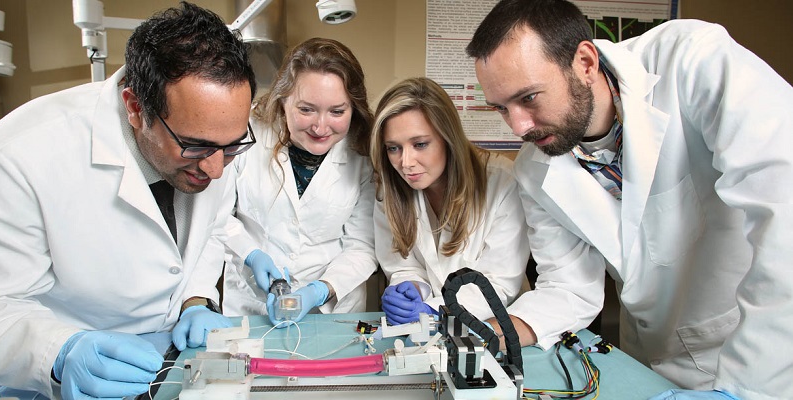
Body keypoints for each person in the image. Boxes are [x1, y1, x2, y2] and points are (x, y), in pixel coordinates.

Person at [466, 1, 793, 399]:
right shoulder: (534, 171)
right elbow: (570, 286)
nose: (519, 126)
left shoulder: (693, 61)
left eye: (530, 98)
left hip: (757, 349)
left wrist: (746, 389)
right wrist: (500, 329)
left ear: (585, 62)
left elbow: (784, 212)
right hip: (650, 356)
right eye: (502, 109)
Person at [0, 3, 256, 399]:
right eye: (195, 147)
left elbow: (209, 233)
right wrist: (58, 353)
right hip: (63, 379)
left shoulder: (215, 140)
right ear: (135, 108)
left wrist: (196, 298)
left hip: (169, 360)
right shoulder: (12, 158)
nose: (216, 170)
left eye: (231, 147)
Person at [218, 37, 376, 326]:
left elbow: (362, 245)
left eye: (337, 112)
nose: (320, 126)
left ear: (354, 108)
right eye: (306, 109)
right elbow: (217, 215)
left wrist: (320, 290)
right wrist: (250, 254)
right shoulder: (246, 134)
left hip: (333, 311)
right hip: (251, 305)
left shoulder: (364, 154)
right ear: (282, 99)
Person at [371, 77, 530, 325]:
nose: (406, 162)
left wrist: (434, 311)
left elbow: (498, 282)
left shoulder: (503, 182)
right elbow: (404, 265)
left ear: (448, 137)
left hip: (494, 327)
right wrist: (411, 287)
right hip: (428, 330)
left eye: (420, 144)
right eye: (394, 148)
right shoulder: (390, 189)